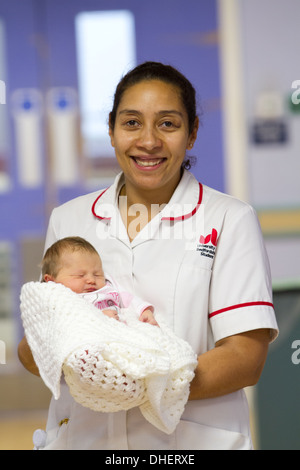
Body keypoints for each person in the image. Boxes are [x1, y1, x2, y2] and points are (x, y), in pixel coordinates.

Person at [18, 61, 278, 450]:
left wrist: (139, 384)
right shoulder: (68, 219)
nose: (149, 141)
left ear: (191, 134)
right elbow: (40, 338)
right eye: (132, 123)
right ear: (110, 131)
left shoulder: (228, 219)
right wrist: (45, 349)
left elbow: (245, 356)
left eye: (168, 124)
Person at [41, 236, 158, 325]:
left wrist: (144, 311)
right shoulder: (61, 299)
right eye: (80, 275)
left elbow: (130, 300)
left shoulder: (108, 285)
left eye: (97, 274)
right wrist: (99, 317)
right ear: (51, 281)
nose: (91, 280)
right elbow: (67, 322)